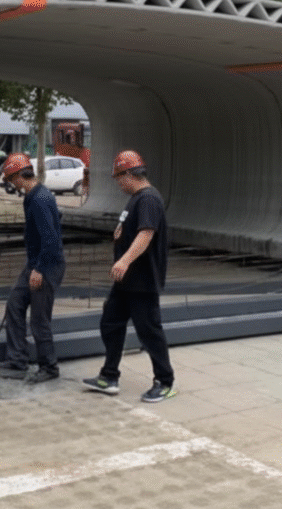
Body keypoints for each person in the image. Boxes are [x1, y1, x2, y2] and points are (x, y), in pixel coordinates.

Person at [83, 150, 176, 403]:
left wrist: (124, 260)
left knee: (149, 331)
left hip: (142, 280)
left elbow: (146, 233)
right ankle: (109, 376)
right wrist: (121, 232)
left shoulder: (148, 199)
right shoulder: (136, 199)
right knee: (110, 323)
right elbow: (135, 228)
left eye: (118, 178)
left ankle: (165, 381)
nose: (117, 183)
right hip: (126, 282)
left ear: (128, 174)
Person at [0, 153, 66, 383]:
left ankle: (49, 367)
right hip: (35, 263)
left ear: (19, 176)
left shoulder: (40, 199)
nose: (10, 184)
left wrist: (39, 270)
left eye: (10, 179)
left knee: (39, 319)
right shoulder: (33, 196)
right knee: (15, 304)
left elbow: (50, 239)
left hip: (47, 266)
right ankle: (16, 361)